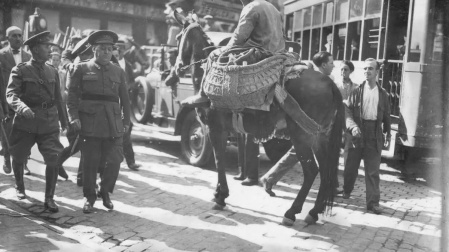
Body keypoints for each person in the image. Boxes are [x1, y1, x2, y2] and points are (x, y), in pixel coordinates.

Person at [67, 30, 131, 213]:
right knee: (90, 161)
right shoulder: (82, 69)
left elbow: (125, 100)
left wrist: (127, 121)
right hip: (90, 123)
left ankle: (105, 191)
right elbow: (71, 98)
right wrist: (74, 117)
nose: (106, 52)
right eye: (102, 48)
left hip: (113, 123)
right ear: (94, 49)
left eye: (110, 49)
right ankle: (89, 198)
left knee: (115, 160)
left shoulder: (118, 71)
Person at [260, 51, 340, 196]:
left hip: (319, 124)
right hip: (308, 125)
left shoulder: (327, 80)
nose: (333, 66)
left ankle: (269, 178)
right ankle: (330, 185)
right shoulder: (310, 82)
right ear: (323, 65)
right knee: (307, 151)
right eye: (331, 63)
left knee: (302, 152)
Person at [6, 31, 68, 212]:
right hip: (26, 122)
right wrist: (21, 107)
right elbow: (11, 94)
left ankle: (49, 198)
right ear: (34, 49)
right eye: (45, 46)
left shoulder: (53, 71)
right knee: (18, 155)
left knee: (53, 159)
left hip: (48, 122)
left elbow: (58, 99)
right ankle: (19, 186)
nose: (50, 49)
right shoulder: (20, 69)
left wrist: (64, 122)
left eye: (50, 46)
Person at [342, 58, 391, 215]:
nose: (367, 71)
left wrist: (388, 132)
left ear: (377, 72)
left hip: (374, 134)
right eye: (365, 69)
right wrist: (352, 126)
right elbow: (347, 111)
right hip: (357, 133)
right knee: (350, 168)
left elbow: (387, 116)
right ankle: (347, 189)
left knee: (372, 171)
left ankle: (373, 203)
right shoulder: (356, 92)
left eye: (371, 69)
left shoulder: (383, 94)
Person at [58, 37, 94, 186]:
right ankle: (55, 162)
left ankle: (81, 177)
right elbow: (71, 94)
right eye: (86, 53)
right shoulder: (75, 66)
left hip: (84, 110)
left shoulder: (87, 65)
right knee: (77, 144)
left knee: (83, 144)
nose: (89, 56)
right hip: (74, 109)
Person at [0, 26, 31, 176]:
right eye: (14, 36)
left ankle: (23, 162)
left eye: (20, 35)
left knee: (25, 132)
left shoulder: (27, 56)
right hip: (6, 100)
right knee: (7, 132)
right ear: (8, 38)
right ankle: (6, 158)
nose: (18, 38)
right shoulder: (1, 55)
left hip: (24, 101)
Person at [113, 41, 140, 171]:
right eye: (117, 48)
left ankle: (130, 161)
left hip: (125, 100)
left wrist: (128, 88)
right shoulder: (112, 63)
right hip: (113, 100)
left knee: (126, 130)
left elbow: (133, 82)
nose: (120, 51)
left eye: (122, 49)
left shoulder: (127, 65)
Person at [336, 61, 358, 166]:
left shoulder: (356, 87)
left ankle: (347, 167)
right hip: (335, 117)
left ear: (351, 71)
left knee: (348, 144)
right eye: (342, 69)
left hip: (348, 118)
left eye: (346, 69)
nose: (343, 72)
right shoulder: (335, 85)